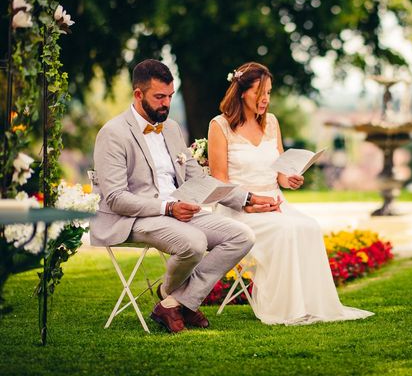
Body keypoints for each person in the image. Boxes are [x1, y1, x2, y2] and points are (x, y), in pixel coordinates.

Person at [91, 59, 278, 333]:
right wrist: (168, 208)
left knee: (241, 235)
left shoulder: (172, 128)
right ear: (138, 94)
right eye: (159, 97)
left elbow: (199, 179)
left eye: (170, 96)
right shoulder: (113, 133)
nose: (166, 104)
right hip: (135, 217)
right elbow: (116, 198)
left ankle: (173, 301)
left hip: (180, 213)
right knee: (194, 242)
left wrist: (247, 198)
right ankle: (177, 298)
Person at [208, 62, 374, 325]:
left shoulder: (271, 123)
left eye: (269, 93)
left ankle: (311, 305)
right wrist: (249, 203)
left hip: (275, 201)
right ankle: (283, 309)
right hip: (238, 208)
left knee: (308, 226)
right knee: (284, 230)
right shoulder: (219, 126)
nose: (265, 99)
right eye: (259, 92)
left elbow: (279, 169)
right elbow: (219, 183)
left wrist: (290, 177)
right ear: (241, 92)